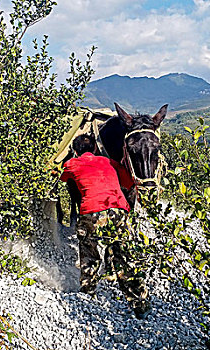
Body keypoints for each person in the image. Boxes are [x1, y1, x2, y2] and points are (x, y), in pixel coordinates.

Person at [60, 134, 152, 319]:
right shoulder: (110, 162)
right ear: (95, 149)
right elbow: (128, 183)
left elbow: (63, 178)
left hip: (91, 211)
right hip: (118, 210)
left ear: (75, 151)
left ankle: (88, 298)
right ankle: (139, 305)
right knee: (125, 258)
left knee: (89, 255)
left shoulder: (72, 164)